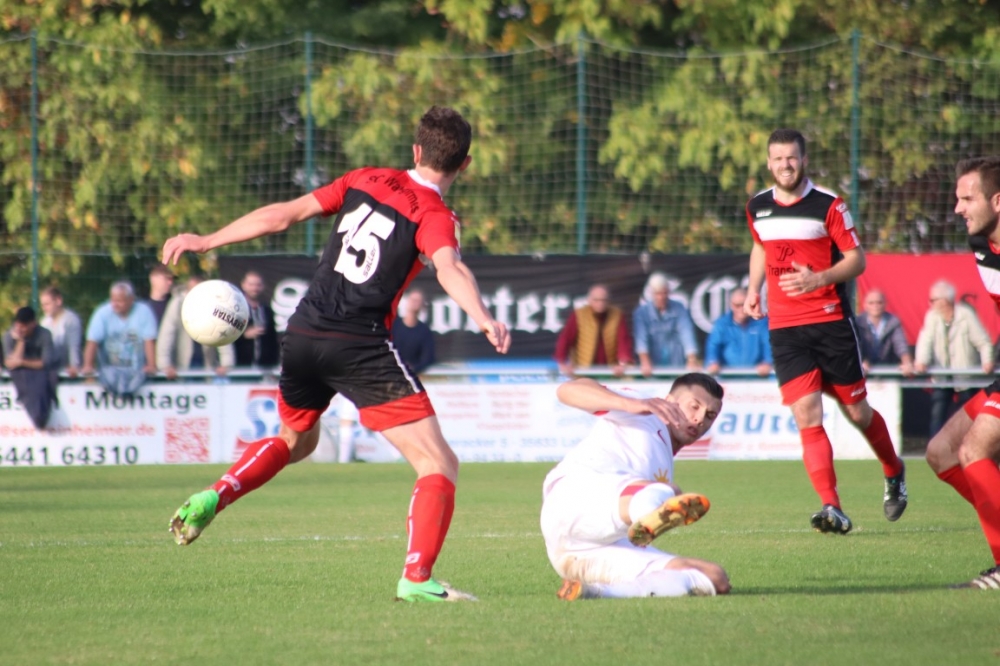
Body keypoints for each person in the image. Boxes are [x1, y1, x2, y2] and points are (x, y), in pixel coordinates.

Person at [162, 106, 511, 603]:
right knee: (438, 464)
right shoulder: (434, 215)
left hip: (304, 331)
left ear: (415, 150)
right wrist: (482, 316)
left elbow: (282, 215)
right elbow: (449, 266)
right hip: (359, 343)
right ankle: (416, 579)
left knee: (295, 442)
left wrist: (208, 239)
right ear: (466, 164)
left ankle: (216, 494)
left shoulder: (365, 177)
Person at [744, 128, 907, 534]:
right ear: (768, 162)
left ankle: (894, 469)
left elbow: (857, 260)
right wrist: (753, 290)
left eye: (792, 158)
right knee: (807, 415)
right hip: (785, 328)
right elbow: (761, 247)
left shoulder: (829, 205)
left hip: (830, 322)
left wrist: (819, 280)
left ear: (804, 160)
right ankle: (831, 506)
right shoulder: (757, 207)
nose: (785, 165)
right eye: (778, 158)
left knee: (856, 411)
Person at [541, 374, 730, 600]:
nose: (700, 419)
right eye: (694, 406)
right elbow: (567, 390)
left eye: (709, 416)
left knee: (712, 578)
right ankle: (645, 510)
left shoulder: (663, 462)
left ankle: (601, 592)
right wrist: (633, 404)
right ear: (669, 399)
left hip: (581, 551)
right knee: (668, 492)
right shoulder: (645, 411)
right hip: (572, 501)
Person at [925, 156, 1000, 590]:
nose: (957, 208)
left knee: (975, 451)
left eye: (966, 198)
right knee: (941, 452)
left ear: (997, 200)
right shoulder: (980, 243)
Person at [914, 279, 994, 438]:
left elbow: (983, 341)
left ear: (945, 300)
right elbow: (925, 340)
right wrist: (921, 361)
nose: (930, 303)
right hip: (941, 376)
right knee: (938, 415)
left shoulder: (966, 315)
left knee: (968, 417)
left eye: (933, 300)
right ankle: (934, 452)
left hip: (966, 376)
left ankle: (971, 448)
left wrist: (987, 361)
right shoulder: (932, 316)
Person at [80, 281, 159, 396]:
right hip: (109, 371)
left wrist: (152, 365)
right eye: (113, 300)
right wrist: (88, 366)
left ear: (131, 299)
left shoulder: (144, 312)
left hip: (137, 371)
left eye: (120, 301)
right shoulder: (102, 313)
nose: (115, 304)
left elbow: (149, 341)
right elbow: (92, 342)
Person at [156, 275, 235, 380]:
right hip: (183, 363)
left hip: (206, 362)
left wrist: (226, 364)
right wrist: (165, 365)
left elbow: (223, 334)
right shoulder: (177, 304)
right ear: (187, 291)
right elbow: (167, 335)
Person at [553, 284, 632, 378]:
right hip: (583, 370)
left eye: (603, 300)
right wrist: (562, 363)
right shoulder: (579, 315)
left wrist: (623, 363)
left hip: (610, 370)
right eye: (596, 300)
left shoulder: (617, 315)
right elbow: (566, 339)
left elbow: (623, 340)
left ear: (608, 301)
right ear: (589, 300)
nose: (600, 304)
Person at [632, 273, 700, 376]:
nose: (661, 297)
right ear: (652, 293)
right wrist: (645, 361)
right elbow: (641, 339)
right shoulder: (641, 313)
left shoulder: (679, 308)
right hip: (652, 364)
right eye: (658, 293)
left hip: (676, 361)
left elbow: (687, 333)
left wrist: (691, 359)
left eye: (664, 293)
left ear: (669, 292)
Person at [2, 306, 57, 429]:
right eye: (18, 325)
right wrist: (21, 340)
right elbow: (10, 364)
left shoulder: (44, 334)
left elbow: (45, 362)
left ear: (33, 324)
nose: (20, 329)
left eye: (24, 326)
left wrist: (21, 362)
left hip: (40, 377)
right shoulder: (8, 336)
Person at [703, 287, 772, 377]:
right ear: (731, 305)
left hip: (756, 377)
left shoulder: (761, 322)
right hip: (729, 377)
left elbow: (768, 344)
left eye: (744, 305)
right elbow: (713, 345)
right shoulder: (722, 324)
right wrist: (713, 362)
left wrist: (767, 362)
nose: (741, 309)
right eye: (737, 305)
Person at [855, 288, 914, 376]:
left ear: (885, 304)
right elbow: (856, 346)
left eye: (879, 302)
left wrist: (907, 362)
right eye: (871, 303)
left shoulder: (893, 322)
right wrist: (862, 361)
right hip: (864, 372)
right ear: (865, 305)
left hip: (889, 371)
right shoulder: (857, 323)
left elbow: (901, 345)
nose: (875, 306)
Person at [232, 270, 280, 368]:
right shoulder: (235, 309)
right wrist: (243, 335)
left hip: (265, 368)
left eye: (258, 285)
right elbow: (224, 335)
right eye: (251, 284)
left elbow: (273, 340)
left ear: (263, 287)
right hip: (240, 367)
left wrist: (274, 364)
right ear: (243, 285)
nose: (254, 288)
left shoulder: (267, 310)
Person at [39, 286, 83, 378]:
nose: (44, 308)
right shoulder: (44, 322)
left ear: (58, 301)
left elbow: (74, 346)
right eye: (42, 305)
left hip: (67, 372)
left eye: (47, 304)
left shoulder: (71, 320)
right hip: (48, 371)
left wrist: (74, 366)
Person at [390, 288, 436, 374]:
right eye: (413, 299)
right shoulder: (394, 325)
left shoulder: (424, 331)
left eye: (418, 300)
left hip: (412, 375)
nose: (414, 302)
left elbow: (428, 358)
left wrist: (414, 368)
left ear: (422, 304)